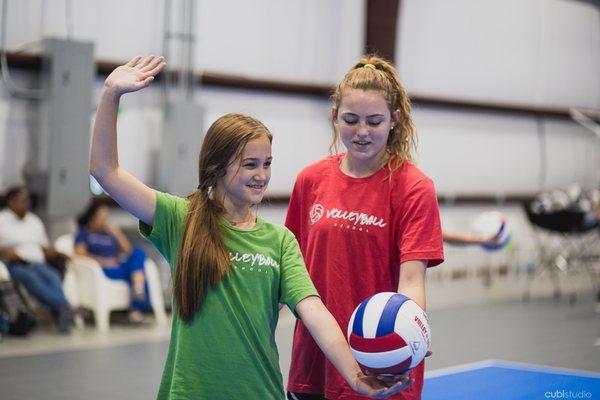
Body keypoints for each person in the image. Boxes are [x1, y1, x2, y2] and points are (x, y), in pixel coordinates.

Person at [90, 54, 409, 399]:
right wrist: (110, 94)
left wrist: (354, 375)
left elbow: (314, 312)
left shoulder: (279, 241)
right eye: (249, 164)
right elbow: (105, 171)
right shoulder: (180, 219)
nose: (261, 175)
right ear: (217, 166)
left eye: (267, 164)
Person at [285, 56, 445, 400]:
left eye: (374, 121)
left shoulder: (414, 187)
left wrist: (411, 327)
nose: (362, 132)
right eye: (351, 120)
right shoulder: (310, 181)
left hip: (382, 361)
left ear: (394, 120)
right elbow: (291, 270)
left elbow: (413, 279)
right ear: (334, 117)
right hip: (315, 361)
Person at [0, 186, 75, 333]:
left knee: (53, 277)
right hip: (15, 265)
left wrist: (59, 252)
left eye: (28, 200)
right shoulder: (2, 220)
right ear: (11, 201)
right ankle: (65, 308)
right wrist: (6, 251)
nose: (27, 203)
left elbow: (43, 247)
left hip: (38, 263)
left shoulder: (34, 221)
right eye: (23, 200)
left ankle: (62, 310)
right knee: (32, 279)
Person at [75, 201, 150, 323]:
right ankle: (136, 304)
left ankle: (138, 287)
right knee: (138, 273)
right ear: (92, 218)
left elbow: (128, 250)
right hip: (103, 270)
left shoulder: (109, 233)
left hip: (118, 267)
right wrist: (103, 261)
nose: (105, 220)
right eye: (102, 217)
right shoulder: (84, 233)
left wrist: (117, 233)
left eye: (106, 217)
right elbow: (80, 254)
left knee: (138, 252)